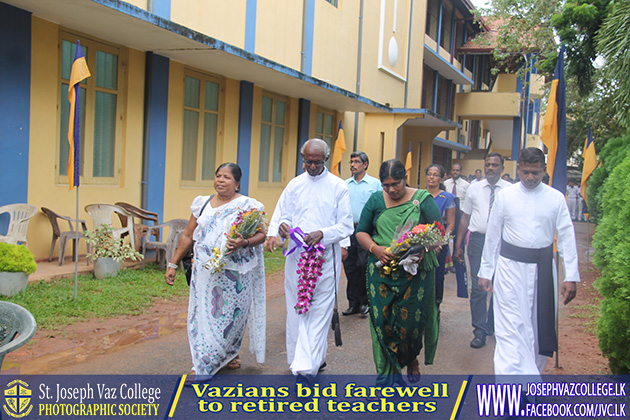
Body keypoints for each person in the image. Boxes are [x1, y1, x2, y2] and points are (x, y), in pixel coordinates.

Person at [478, 147, 578, 375]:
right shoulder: (505, 196)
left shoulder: (556, 198)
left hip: (543, 271)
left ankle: (530, 384)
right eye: (526, 172)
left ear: (544, 170)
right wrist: (486, 271)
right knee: (509, 329)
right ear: (518, 170)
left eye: (536, 173)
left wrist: (571, 276)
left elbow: (566, 237)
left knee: (536, 328)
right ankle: (511, 391)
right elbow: (493, 236)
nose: (530, 178)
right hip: (509, 270)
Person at [165, 163, 267, 377]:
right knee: (204, 316)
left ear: (237, 183)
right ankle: (202, 364)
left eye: (227, 177)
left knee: (232, 317)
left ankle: (229, 353)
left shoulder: (248, 206)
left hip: (235, 273)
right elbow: (187, 236)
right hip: (205, 272)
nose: (221, 180)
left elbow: (261, 235)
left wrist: (244, 243)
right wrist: (173, 263)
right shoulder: (202, 204)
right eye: (218, 176)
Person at [266, 138, 354, 376]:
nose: (312, 167)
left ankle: (309, 363)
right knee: (297, 306)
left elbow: (346, 226)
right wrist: (282, 227)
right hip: (297, 257)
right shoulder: (295, 184)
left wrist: (322, 234)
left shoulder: (338, 186)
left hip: (325, 259)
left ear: (325, 159)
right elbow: (282, 213)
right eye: (307, 162)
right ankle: (301, 358)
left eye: (316, 162)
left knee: (320, 309)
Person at [356, 159, 442, 385]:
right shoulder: (376, 200)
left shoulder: (422, 200)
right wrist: (375, 248)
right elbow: (361, 232)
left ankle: (411, 358)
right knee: (383, 323)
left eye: (396, 184)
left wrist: (421, 247)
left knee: (409, 326)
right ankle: (386, 375)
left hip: (415, 276)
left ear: (406, 178)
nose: (391, 189)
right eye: (386, 185)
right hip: (381, 274)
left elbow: (439, 234)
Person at [454, 152, 512, 349]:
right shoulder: (474, 189)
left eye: (495, 165)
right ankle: (479, 331)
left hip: (504, 243)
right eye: (488, 164)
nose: (490, 168)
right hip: (478, 241)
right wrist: (458, 245)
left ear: (502, 168)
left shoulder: (511, 191)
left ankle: (492, 324)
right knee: (479, 285)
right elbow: (465, 217)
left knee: (500, 284)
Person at [343, 151, 382, 316]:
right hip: (348, 229)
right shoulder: (344, 184)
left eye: (357, 162)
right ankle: (353, 304)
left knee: (363, 265)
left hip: (365, 230)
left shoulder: (375, 184)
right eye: (351, 162)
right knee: (350, 267)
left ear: (365, 165)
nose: (353, 164)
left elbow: (380, 207)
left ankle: (365, 301)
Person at [424, 163, 456, 307]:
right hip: (421, 241)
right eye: (429, 174)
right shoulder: (419, 195)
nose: (432, 177)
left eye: (436, 175)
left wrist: (441, 243)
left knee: (437, 276)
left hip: (439, 244)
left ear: (442, 179)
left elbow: (451, 224)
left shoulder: (447, 198)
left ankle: (435, 306)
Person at [442, 163, 470, 296]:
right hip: (447, 214)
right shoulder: (445, 184)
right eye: (453, 170)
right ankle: (447, 264)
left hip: (461, 216)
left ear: (461, 171)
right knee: (445, 241)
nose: (455, 172)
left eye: (457, 170)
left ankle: (457, 263)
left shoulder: (466, 185)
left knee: (459, 244)